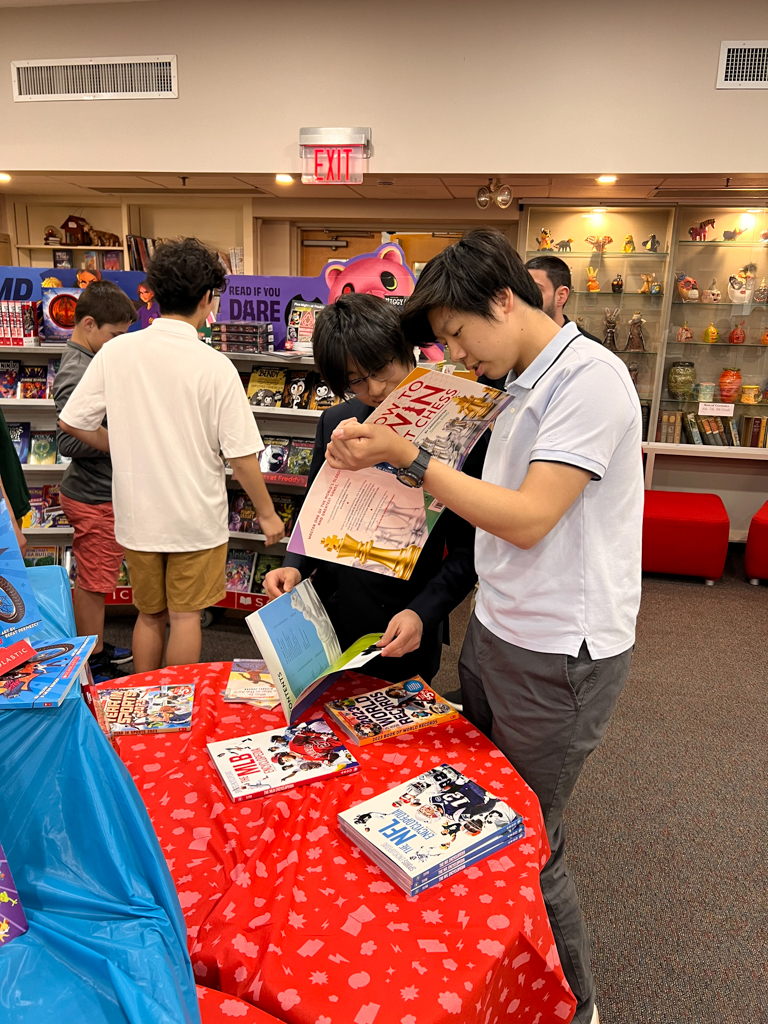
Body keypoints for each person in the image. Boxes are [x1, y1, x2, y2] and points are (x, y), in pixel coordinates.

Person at [323, 229, 643, 1024]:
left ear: (505, 299)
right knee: (481, 820)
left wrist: (407, 456)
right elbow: (465, 504)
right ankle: (492, 991)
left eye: (460, 335)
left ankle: (575, 1002)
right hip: (502, 633)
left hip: (561, 650)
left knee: (532, 839)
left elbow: (531, 517)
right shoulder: (518, 378)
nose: (458, 354)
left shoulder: (590, 381)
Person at [59, 238, 285, 672]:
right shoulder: (214, 365)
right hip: (195, 520)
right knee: (185, 618)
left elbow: (72, 422)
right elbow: (241, 456)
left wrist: (121, 444)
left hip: (137, 516)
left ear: (155, 293)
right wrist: (267, 514)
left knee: (149, 616)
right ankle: (176, 713)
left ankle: (144, 706)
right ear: (206, 299)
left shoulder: (118, 352)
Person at [263, 293, 481, 686]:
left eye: (383, 368)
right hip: (331, 618)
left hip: (407, 620)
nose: (377, 388)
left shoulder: (459, 424)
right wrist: (292, 566)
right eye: (356, 381)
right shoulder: (337, 420)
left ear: (406, 350)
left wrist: (424, 612)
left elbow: (468, 549)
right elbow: (315, 510)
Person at [53, 281, 138, 680]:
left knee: (95, 577)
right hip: (94, 496)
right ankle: (92, 657)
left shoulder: (91, 359)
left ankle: (94, 646)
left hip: (99, 492)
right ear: (89, 324)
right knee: (93, 581)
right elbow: (68, 436)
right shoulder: (78, 369)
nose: (119, 343)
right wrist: (122, 440)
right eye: (115, 335)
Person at [524, 254, 602, 342]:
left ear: (561, 296)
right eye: (524, 290)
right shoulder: (518, 340)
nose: (526, 297)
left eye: (535, 290)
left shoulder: (588, 348)